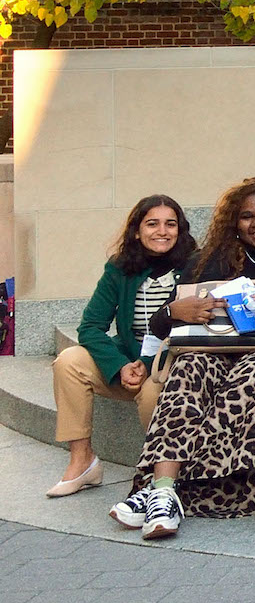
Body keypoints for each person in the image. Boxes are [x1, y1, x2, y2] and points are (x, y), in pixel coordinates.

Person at [113, 181, 255, 539]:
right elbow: (159, 322)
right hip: (214, 350)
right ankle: (164, 492)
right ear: (234, 222)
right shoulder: (212, 257)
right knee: (189, 369)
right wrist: (175, 309)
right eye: (246, 216)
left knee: (251, 376)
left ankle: (161, 489)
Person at [47, 195, 195, 499]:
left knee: (155, 389)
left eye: (170, 224)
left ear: (180, 230)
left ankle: (163, 479)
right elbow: (90, 326)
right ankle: (83, 460)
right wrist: (120, 365)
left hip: (172, 364)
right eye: (152, 224)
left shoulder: (196, 265)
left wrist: (147, 362)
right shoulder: (121, 267)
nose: (162, 231)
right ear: (137, 230)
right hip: (127, 361)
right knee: (69, 361)